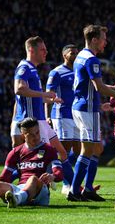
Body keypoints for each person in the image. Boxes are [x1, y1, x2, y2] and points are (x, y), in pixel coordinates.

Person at [69, 25, 115, 202]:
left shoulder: (81, 56)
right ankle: (75, 192)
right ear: (94, 39)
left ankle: (87, 189)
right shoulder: (92, 60)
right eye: (103, 38)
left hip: (80, 106)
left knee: (96, 149)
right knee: (87, 151)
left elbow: (96, 85)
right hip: (87, 108)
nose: (105, 42)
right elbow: (99, 88)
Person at [10, 36, 71, 186]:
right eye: (42, 49)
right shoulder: (24, 68)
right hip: (34, 123)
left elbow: (33, 97)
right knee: (38, 159)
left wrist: (49, 99)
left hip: (41, 120)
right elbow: (19, 89)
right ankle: (18, 186)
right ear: (32, 50)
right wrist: (44, 94)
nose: (46, 52)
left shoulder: (32, 69)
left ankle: (75, 187)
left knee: (62, 152)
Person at [0, 117, 63, 208]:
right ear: (23, 135)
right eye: (31, 135)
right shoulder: (15, 152)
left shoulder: (49, 150)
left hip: (41, 192)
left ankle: (16, 199)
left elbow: (59, 173)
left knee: (33, 179)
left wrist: (52, 176)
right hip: (20, 189)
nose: (36, 137)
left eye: (37, 133)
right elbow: (4, 177)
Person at [45, 44, 81, 195]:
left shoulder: (80, 71)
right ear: (64, 55)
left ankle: (52, 171)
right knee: (64, 150)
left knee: (79, 151)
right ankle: (67, 184)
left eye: (76, 52)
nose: (75, 54)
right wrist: (47, 115)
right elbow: (48, 94)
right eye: (72, 52)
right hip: (62, 114)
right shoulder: (56, 72)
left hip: (77, 115)